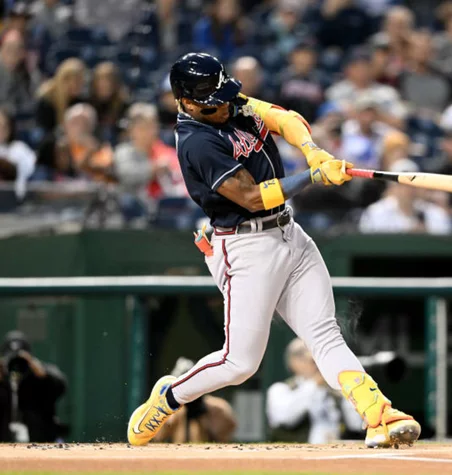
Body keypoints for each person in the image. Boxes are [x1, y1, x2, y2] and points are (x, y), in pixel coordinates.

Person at [127, 52, 420, 449]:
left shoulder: (229, 102)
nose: (227, 103)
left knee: (324, 334)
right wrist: (310, 176)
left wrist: (312, 151)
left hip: (289, 233)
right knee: (239, 363)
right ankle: (169, 396)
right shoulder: (196, 142)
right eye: (215, 100)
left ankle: (378, 413)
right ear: (189, 102)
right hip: (245, 246)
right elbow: (250, 197)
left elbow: (284, 118)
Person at [267, 338, 364, 443]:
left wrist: (345, 390)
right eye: (312, 360)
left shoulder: (336, 391)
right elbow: (285, 418)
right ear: (293, 362)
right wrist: (314, 383)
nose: (316, 364)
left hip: (334, 454)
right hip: (296, 455)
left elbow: (356, 425)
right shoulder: (281, 389)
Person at [0, 331, 67, 442]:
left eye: (21, 359)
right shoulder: (2, 378)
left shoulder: (38, 373)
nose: (16, 365)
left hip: (41, 442)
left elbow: (61, 385)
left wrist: (43, 374)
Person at [359, 158, 452, 234]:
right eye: (401, 184)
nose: (407, 189)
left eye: (410, 184)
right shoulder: (376, 213)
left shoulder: (434, 214)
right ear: (392, 187)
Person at [154, 357, 237, 443]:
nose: (188, 390)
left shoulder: (218, 409)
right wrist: (170, 418)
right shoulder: (172, 413)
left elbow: (226, 435)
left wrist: (205, 419)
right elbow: (157, 438)